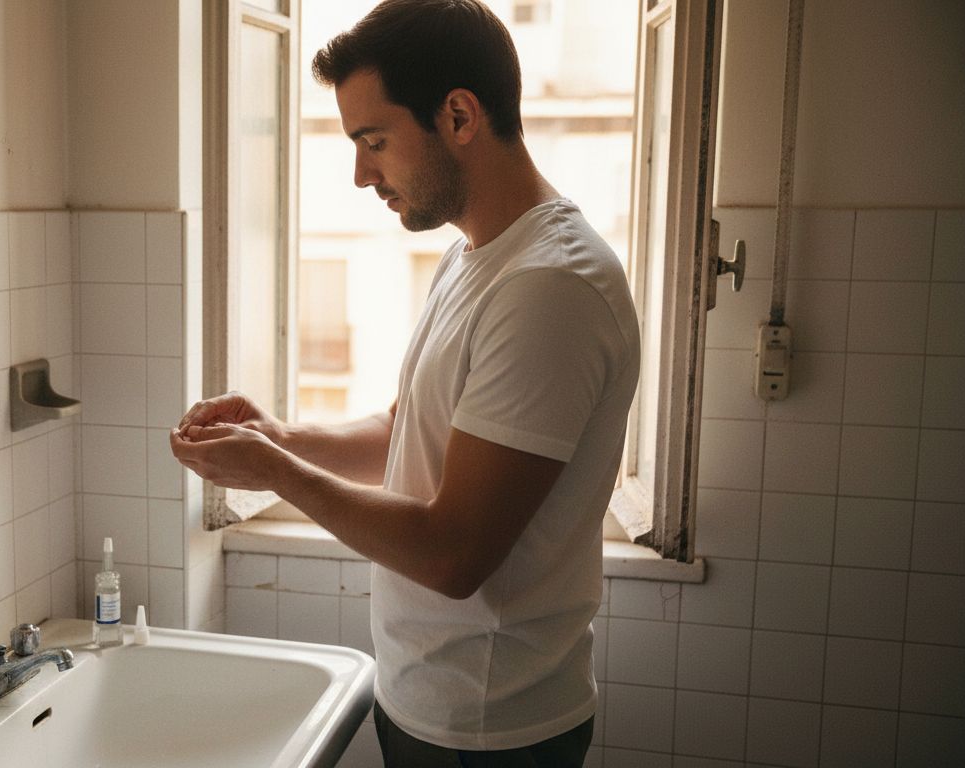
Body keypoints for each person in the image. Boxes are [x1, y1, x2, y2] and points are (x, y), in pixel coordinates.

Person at [170, 1, 639, 765]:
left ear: (458, 115)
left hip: (491, 726)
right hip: (428, 697)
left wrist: (274, 472)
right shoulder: (472, 256)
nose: (361, 175)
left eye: (374, 142)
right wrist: (282, 437)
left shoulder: (550, 286)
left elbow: (454, 555)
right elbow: (404, 432)